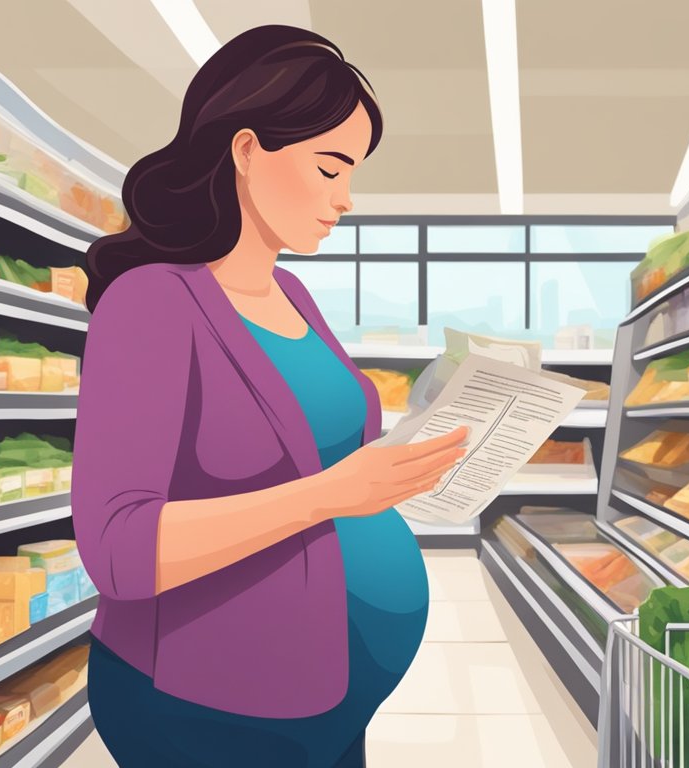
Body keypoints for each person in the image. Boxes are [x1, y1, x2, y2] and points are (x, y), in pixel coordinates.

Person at [72, 25, 465, 767]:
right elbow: (117, 549)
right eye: (329, 168)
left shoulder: (291, 293)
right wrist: (329, 495)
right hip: (210, 706)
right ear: (247, 151)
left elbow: (323, 450)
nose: (346, 199)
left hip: (330, 694)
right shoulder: (151, 303)